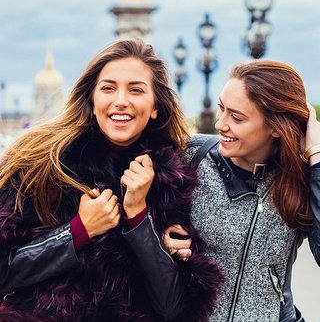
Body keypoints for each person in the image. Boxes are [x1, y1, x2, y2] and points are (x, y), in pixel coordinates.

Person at [0, 39, 224, 322]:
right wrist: (78, 231)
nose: (121, 100)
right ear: (91, 100)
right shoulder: (40, 165)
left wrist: (138, 216)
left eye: (136, 90)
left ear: (155, 106)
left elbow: (173, 308)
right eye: (108, 88)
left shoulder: (172, 179)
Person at [163, 60, 320, 322]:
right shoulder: (190, 157)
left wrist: (316, 157)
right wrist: (160, 243)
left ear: (275, 127)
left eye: (236, 117)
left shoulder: (301, 179)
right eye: (221, 109)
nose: (220, 124)